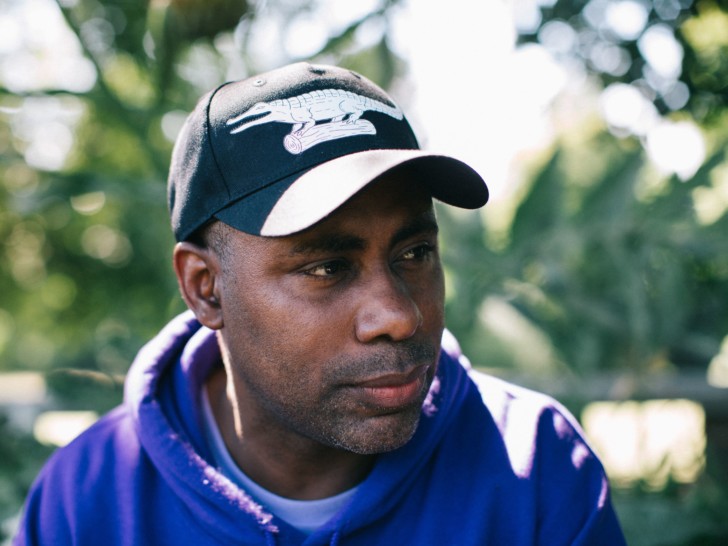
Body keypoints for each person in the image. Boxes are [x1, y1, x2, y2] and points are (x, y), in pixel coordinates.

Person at [15, 62, 626, 545]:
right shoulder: (87, 502)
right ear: (206, 286)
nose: (399, 315)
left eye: (414, 253)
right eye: (328, 267)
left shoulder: (533, 467)